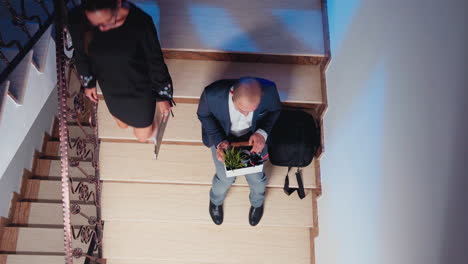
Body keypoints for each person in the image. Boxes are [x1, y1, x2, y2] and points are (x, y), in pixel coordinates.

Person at [67, 0, 174, 143]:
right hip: (110, 86)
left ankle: (150, 116)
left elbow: (154, 61)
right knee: (122, 125)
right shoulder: (77, 19)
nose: (103, 29)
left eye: (108, 21)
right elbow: (81, 54)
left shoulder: (140, 22)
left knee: (142, 137)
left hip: (139, 87)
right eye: (96, 25)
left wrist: (162, 96)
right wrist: (88, 82)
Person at [197, 77, 282, 226]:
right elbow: (204, 115)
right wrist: (219, 142)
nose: (245, 115)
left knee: (257, 178)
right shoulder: (211, 95)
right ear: (231, 94)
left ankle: (257, 202)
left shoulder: (269, 91)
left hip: (253, 136)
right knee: (224, 178)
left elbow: (275, 110)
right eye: (241, 109)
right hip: (223, 136)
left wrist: (262, 133)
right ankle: (215, 200)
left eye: (251, 110)